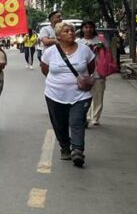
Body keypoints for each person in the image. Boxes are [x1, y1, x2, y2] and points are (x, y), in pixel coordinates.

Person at [40, 21, 96, 167]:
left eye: (72, 30)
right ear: (58, 36)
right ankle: (65, 147)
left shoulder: (85, 50)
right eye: (66, 31)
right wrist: (58, 83)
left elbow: (90, 68)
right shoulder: (50, 52)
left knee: (76, 121)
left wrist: (79, 81)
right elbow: (45, 69)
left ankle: (77, 150)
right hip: (54, 95)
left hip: (80, 95)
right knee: (59, 124)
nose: (71, 33)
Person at [79, 21, 114, 126]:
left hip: (98, 72)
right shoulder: (78, 42)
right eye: (86, 27)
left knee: (98, 95)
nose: (88, 29)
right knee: (83, 96)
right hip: (83, 73)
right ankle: (84, 116)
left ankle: (95, 118)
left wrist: (100, 49)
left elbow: (108, 54)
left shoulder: (101, 40)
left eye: (90, 27)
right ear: (82, 29)